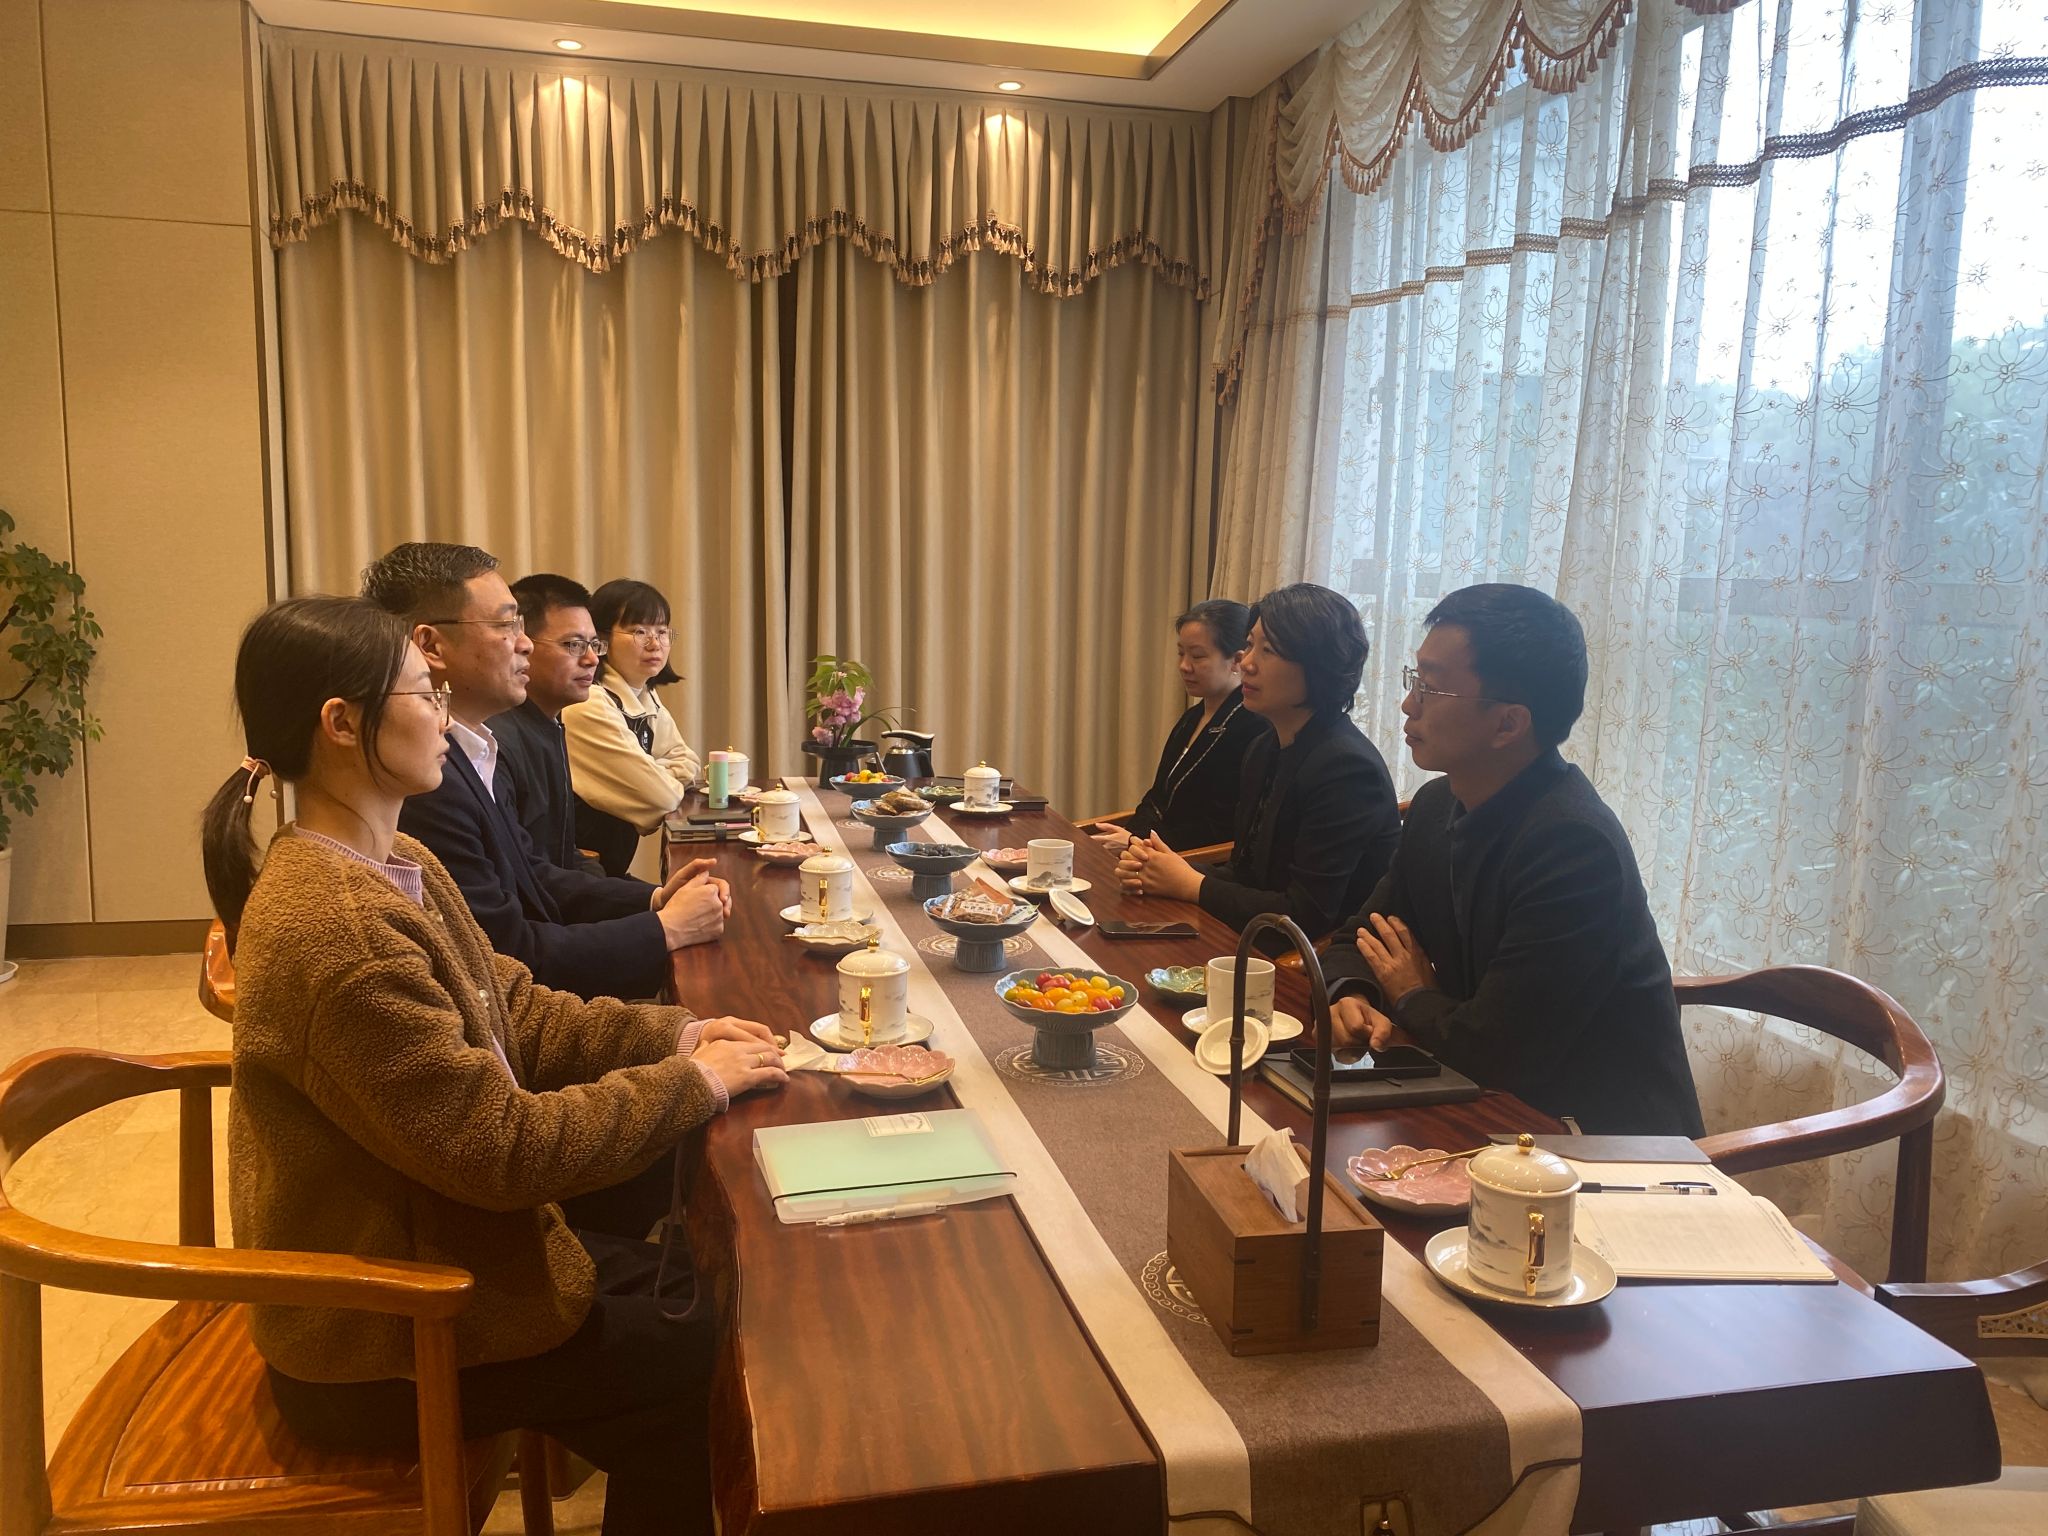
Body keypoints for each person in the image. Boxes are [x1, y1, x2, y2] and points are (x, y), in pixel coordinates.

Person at [200, 594, 789, 1536]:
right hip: (384, 1331)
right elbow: (502, 1151)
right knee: (700, 1355)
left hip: (443, 1248)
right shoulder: (340, 932)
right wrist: (694, 1083)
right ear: (342, 723)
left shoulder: (396, 858)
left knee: (703, 1289)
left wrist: (681, 1036)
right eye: (424, 693)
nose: (445, 715)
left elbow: (514, 1008)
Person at [1323, 583, 1704, 1137]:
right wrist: (1352, 994)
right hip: (1484, 1104)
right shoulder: (1436, 805)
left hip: (1598, 1142)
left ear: (1508, 724)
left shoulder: (1573, 846)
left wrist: (1410, 994)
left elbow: (1497, 1052)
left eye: (1431, 687)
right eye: (1414, 679)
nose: (1409, 704)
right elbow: (1358, 938)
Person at [361, 543, 724, 1002]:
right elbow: (508, 956)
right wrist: (664, 928)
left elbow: (532, 871)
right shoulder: (427, 780)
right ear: (431, 645)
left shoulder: (478, 746)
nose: (525, 643)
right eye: (505, 625)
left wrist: (653, 900)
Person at [1117, 583, 1401, 941]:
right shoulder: (1265, 746)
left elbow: (1305, 915)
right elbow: (1247, 875)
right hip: (1248, 935)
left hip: (1306, 957)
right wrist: (1160, 866)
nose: (1247, 663)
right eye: (1250, 645)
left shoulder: (1347, 770)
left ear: (1319, 666)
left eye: (1268, 651)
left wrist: (1192, 883)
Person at [1087, 600, 1267, 853]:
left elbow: (1220, 827)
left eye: (1197, 656)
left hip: (1192, 861)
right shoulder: (1192, 717)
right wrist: (1132, 837)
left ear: (1237, 660)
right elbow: (1157, 797)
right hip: (1150, 849)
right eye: (1181, 653)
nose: (1184, 666)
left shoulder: (1252, 727)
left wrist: (1136, 843)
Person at [562, 579, 701, 880]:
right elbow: (662, 799)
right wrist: (659, 777)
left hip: (607, 871)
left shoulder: (644, 695)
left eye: (662, 632)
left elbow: (688, 762)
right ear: (601, 639)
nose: (655, 644)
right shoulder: (588, 702)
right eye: (639, 631)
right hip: (577, 878)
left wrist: (652, 772)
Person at [493, 574, 606, 874]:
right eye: (574, 645)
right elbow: (529, 874)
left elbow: (563, 854)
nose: (592, 659)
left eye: (594, 645)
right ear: (523, 644)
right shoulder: (497, 741)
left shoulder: (548, 723)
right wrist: (653, 898)